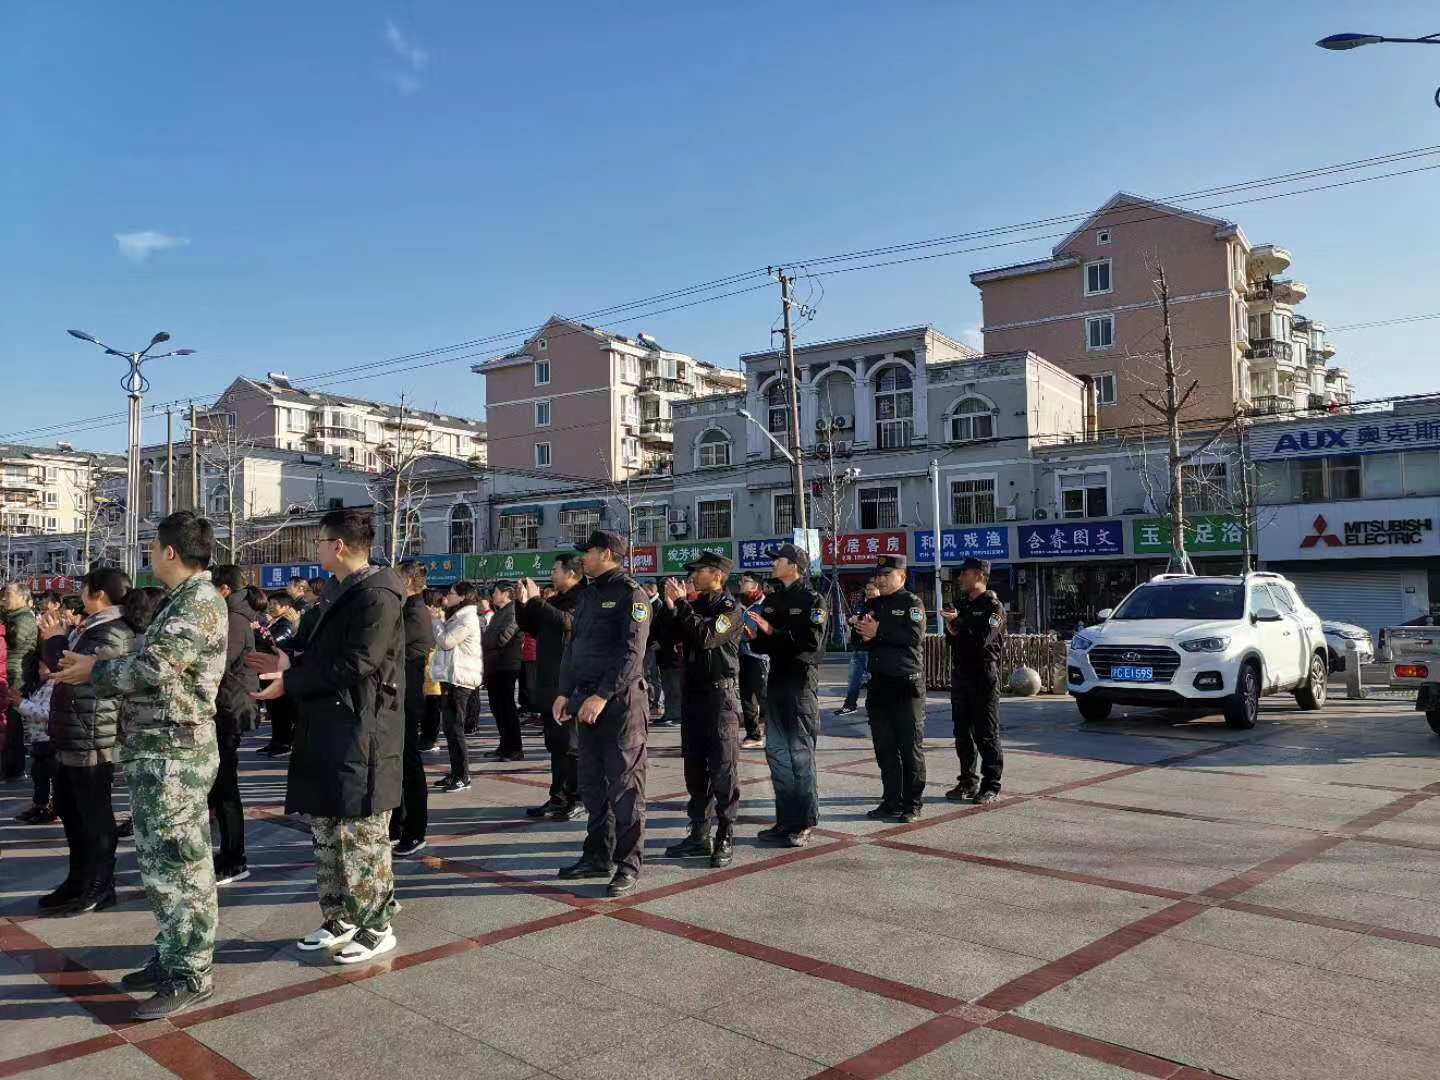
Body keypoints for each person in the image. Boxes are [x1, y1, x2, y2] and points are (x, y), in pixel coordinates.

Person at [51, 511, 227, 1019]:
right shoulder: (178, 599)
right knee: (159, 862)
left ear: (170, 552)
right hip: (157, 749)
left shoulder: (197, 602)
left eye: (152, 547)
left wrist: (94, 669)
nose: (149, 555)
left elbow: (155, 668)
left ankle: (191, 974)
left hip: (177, 754)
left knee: (182, 864)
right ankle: (172, 955)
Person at [248, 508, 405, 965]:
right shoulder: (337, 590)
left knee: (361, 834)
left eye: (318, 541)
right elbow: (315, 648)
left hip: (362, 729)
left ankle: (377, 924)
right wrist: (285, 657)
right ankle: (340, 916)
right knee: (327, 830)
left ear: (337, 545)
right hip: (327, 725)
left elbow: (359, 662)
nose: (314, 549)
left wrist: (292, 681)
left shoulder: (377, 595)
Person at [553, 530, 651, 897]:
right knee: (592, 785)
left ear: (606, 554)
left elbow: (632, 653)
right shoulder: (589, 594)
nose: (583, 558)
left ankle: (628, 865)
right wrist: (564, 692)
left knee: (625, 788)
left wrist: (602, 695)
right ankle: (597, 855)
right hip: (585, 702)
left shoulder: (631, 595)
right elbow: (574, 647)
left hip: (621, 705)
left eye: (588, 551)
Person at [40, 569, 137, 916]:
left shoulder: (113, 631)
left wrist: (54, 640)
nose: (79, 595)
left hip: (94, 734)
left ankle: (100, 885)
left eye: (83, 589)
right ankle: (78, 880)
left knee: (94, 815)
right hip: (76, 730)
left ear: (97, 594)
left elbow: (70, 669)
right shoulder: (94, 627)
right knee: (70, 809)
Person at [655, 553, 744, 868]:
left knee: (723, 770)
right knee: (694, 771)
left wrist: (682, 605)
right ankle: (699, 834)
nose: (692, 576)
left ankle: (725, 835)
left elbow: (706, 637)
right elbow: (663, 638)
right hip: (692, 697)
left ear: (717, 575)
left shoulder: (730, 609)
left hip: (720, 698)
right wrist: (670, 607)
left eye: (698, 571)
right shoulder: (694, 606)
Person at [745, 543, 826, 847]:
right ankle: (785, 820)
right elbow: (766, 645)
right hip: (777, 681)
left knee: (800, 755)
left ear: (794, 566)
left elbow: (811, 643)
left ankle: (804, 822)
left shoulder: (813, 600)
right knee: (778, 755)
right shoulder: (773, 599)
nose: (773, 564)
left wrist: (772, 632)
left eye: (778, 560)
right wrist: (757, 637)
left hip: (800, 684)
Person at [853, 556, 926, 823]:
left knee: (909, 747)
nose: (881, 580)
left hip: (905, 684)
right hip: (879, 684)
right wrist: (861, 632)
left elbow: (914, 637)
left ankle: (912, 803)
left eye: (887, 574)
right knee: (885, 747)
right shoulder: (873, 604)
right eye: (878, 575)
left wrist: (879, 631)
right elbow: (859, 640)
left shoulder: (912, 603)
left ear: (902, 577)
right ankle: (891, 800)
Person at [514, 557, 584, 820]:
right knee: (556, 744)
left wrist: (536, 601)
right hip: (549, 681)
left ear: (571, 573)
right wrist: (522, 603)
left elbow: (567, 622)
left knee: (572, 744)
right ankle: (558, 797)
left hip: (570, 683)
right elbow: (530, 626)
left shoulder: (584, 598)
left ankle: (578, 797)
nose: (551, 573)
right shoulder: (554, 600)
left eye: (555, 569)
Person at [942, 557, 1007, 804]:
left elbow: (982, 640)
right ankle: (968, 782)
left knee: (986, 733)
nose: (960, 578)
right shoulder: (961, 604)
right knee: (962, 732)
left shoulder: (993, 607)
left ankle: (991, 785)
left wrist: (957, 623)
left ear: (979, 575)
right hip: (961, 673)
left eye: (965, 573)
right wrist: (952, 628)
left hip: (983, 674)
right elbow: (952, 639)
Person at [208, 565, 258, 885]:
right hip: (225, 706)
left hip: (229, 709)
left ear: (224, 590)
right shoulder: (232, 616)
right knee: (220, 786)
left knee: (226, 788)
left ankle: (235, 859)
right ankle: (227, 853)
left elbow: (217, 664)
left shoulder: (234, 620)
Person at [390, 560, 434, 856]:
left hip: (406, 697)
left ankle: (416, 830)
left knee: (409, 764)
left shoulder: (415, 613)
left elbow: (390, 647)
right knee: (398, 764)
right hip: (397, 696)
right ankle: (398, 824)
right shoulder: (406, 609)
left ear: (407, 582)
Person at [432, 581, 483, 791]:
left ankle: (462, 776)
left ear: (462, 597)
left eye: (452, 593)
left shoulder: (467, 618)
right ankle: (455, 772)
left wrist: (435, 621)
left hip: (460, 680)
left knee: (455, 729)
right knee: (450, 729)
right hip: (452, 677)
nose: (448, 597)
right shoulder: (458, 616)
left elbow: (446, 641)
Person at [482, 581, 524, 760]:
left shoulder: (513, 611)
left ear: (506, 594)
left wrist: (485, 641)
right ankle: (504, 744)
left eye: (495, 592)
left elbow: (503, 638)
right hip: (494, 666)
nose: (493, 595)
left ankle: (515, 748)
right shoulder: (499, 612)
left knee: (507, 708)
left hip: (506, 665)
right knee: (497, 708)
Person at [2, 583, 38, 780]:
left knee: (11, 722)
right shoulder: (13, 617)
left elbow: (13, 641)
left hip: (16, 675)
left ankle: (14, 767)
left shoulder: (23, 619)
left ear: (23, 598)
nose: (4, 599)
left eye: (9, 595)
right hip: (11, 672)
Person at [256, 595, 299, 757]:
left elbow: (276, 642)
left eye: (275, 604)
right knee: (273, 709)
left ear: (286, 607)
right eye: (270, 603)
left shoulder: (285, 623)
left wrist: (258, 632)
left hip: (279, 671)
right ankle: (275, 741)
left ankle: (284, 743)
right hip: (269, 670)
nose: (271, 606)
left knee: (282, 709)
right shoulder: (271, 622)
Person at [837, 581, 881, 717]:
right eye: (867, 589)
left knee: (873, 680)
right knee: (854, 679)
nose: (869, 592)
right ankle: (850, 704)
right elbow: (853, 619)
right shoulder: (864, 604)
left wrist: (858, 619)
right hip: (858, 648)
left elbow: (868, 621)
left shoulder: (880, 605)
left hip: (870, 649)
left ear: (878, 590)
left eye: (871, 589)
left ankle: (873, 707)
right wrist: (853, 621)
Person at [735, 574, 769, 749]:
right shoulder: (740, 604)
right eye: (741, 581)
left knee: (765, 698)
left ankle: (775, 733)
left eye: (745, 581)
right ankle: (753, 735)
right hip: (743, 657)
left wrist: (752, 635)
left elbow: (770, 631)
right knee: (747, 698)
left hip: (759, 658)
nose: (741, 583)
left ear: (756, 586)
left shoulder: (766, 606)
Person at [420, 589, 447, 751]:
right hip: (429, 669)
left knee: (432, 706)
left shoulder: (439, 619)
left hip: (434, 669)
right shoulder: (434, 618)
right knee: (429, 705)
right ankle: (428, 737)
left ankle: (430, 739)